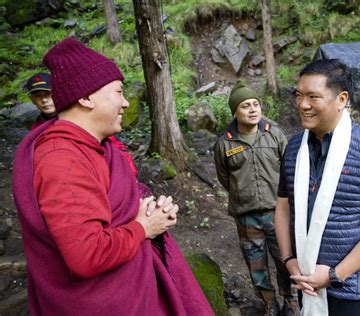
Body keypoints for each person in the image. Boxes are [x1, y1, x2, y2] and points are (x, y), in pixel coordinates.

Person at [12, 37, 213, 315]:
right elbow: (87, 256)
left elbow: (110, 207)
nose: (127, 103)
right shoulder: (62, 160)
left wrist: (146, 210)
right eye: (119, 92)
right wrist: (143, 228)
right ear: (85, 97)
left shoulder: (96, 148)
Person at [275, 59, 360, 315]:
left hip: (354, 290)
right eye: (298, 95)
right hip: (306, 281)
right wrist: (289, 260)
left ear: (342, 99)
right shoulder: (294, 148)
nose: (302, 105)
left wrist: (334, 274)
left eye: (313, 97)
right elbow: (284, 207)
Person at [214, 82, 297, 316]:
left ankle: (290, 301)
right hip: (247, 216)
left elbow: (289, 169)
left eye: (255, 104)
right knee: (256, 264)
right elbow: (225, 178)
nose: (252, 109)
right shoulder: (225, 143)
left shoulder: (275, 134)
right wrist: (244, 195)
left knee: (285, 259)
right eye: (245, 106)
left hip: (278, 213)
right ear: (235, 112)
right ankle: (269, 303)